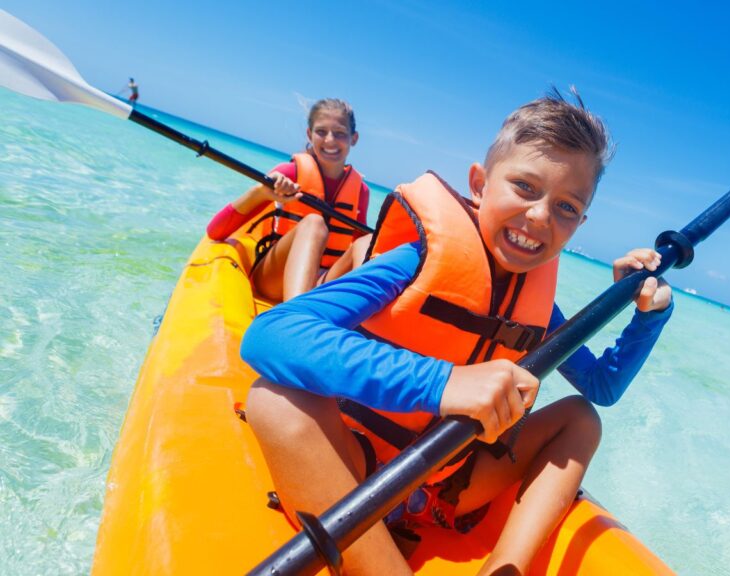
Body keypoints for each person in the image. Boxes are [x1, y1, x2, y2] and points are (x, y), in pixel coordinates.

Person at [241, 90, 674, 575]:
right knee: (273, 400)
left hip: (451, 484)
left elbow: (602, 386)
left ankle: (504, 568)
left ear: (580, 223)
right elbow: (271, 334)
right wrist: (442, 382)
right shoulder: (415, 261)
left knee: (581, 418)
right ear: (479, 185)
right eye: (525, 188)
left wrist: (649, 316)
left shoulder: (539, 309)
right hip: (361, 467)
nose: (540, 217)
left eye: (567, 208)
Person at [205, 99, 371, 301]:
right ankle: (293, 316)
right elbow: (215, 232)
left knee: (367, 241)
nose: (330, 140)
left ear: (353, 139)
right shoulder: (289, 173)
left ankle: (363, 316)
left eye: (340, 134)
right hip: (273, 279)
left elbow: (359, 248)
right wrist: (261, 192)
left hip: (320, 284)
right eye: (321, 132)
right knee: (314, 222)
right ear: (309, 134)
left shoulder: (360, 190)